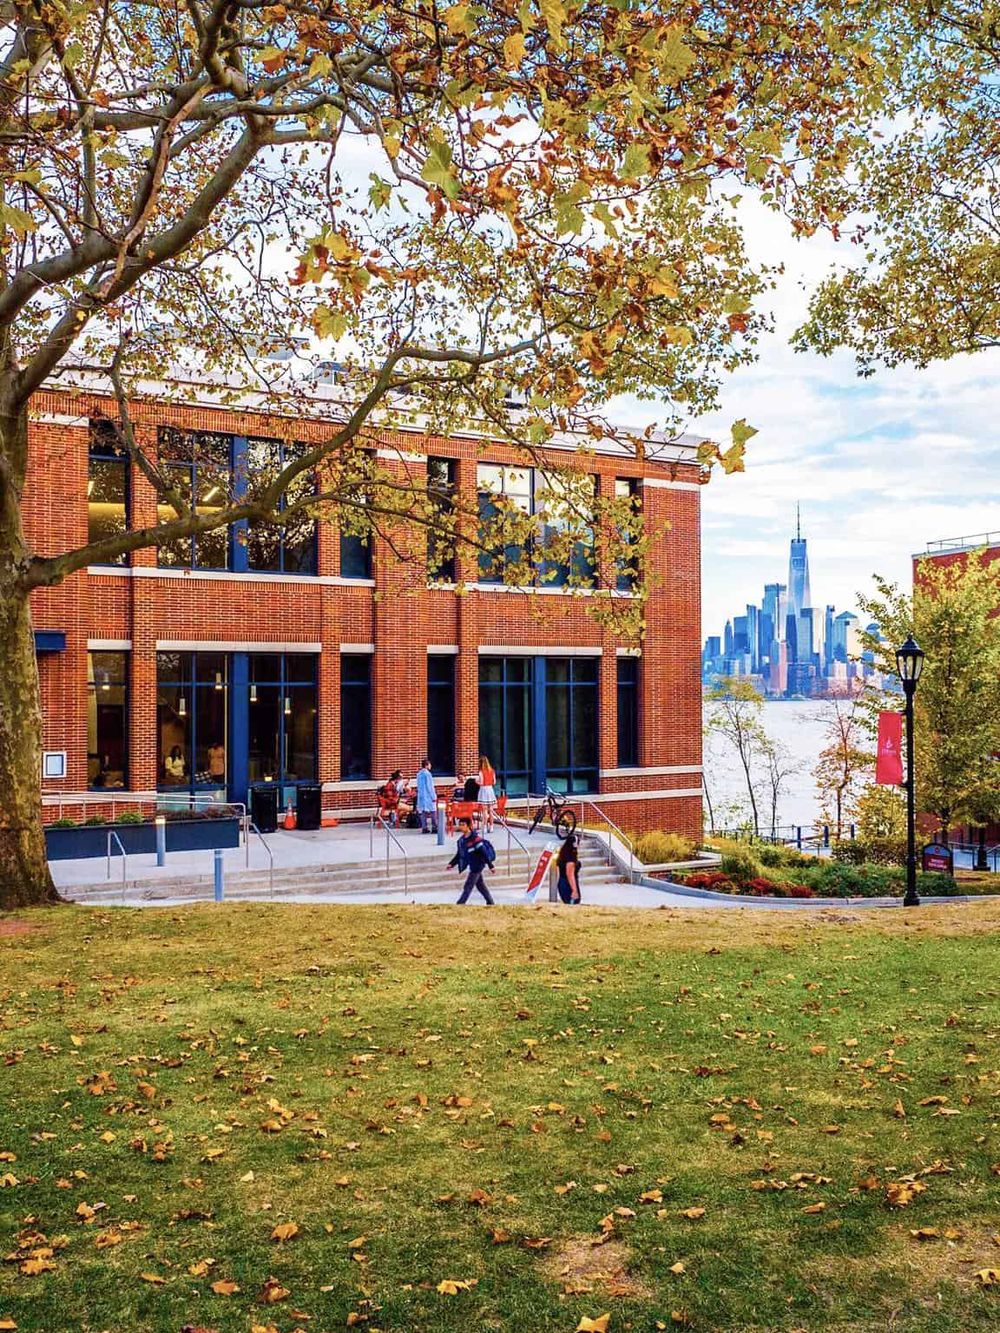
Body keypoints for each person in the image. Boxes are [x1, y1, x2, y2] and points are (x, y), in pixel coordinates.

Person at [448, 816, 496, 905]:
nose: (461, 827)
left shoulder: (475, 839)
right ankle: (490, 902)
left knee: (468, 885)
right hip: (472, 864)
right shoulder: (462, 841)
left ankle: (461, 903)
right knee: (480, 885)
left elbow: (483, 852)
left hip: (477, 865)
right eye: (460, 825)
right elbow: (459, 854)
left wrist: (491, 866)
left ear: (468, 826)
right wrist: (452, 864)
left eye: (463, 825)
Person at [555, 834, 582, 904]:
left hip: (562, 883)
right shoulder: (570, 859)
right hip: (568, 884)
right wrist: (574, 890)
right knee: (573, 903)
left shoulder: (562, 855)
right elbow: (570, 875)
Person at [415, 758, 438, 834]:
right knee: (433, 811)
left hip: (421, 795)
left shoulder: (419, 774)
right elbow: (430, 786)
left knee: (423, 812)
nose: (430, 766)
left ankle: (424, 827)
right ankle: (434, 827)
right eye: (429, 764)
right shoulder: (427, 774)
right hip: (428, 795)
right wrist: (433, 796)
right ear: (426, 765)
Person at [477, 754, 497, 832]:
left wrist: (476, 782)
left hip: (484, 790)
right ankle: (491, 827)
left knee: (484, 810)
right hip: (490, 789)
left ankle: (484, 827)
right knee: (491, 810)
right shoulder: (492, 771)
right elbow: (494, 782)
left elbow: (481, 782)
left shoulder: (481, 772)